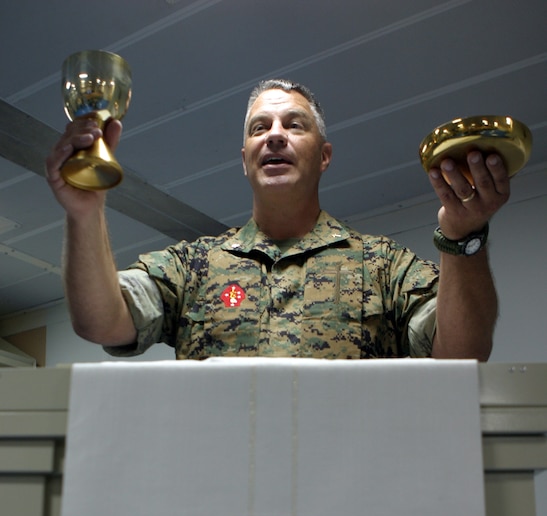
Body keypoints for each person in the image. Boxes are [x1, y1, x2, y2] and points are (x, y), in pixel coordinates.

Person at [46, 78, 510, 361]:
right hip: (217, 496)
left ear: (324, 155)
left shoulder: (382, 266)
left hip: (344, 499)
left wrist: (462, 236)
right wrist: (85, 215)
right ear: (244, 157)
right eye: (259, 128)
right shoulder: (194, 266)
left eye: (294, 125)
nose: (274, 136)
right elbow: (101, 322)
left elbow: (463, 354)